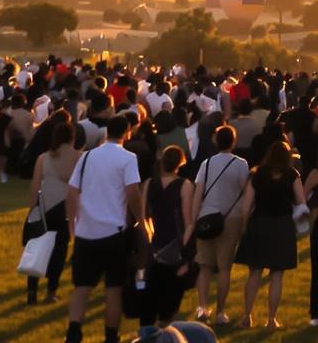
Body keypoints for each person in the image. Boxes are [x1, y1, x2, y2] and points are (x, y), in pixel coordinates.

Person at [62, 115, 144, 343]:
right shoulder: (128, 158)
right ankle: (111, 335)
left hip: (85, 230)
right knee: (113, 288)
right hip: (113, 231)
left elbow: (71, 192)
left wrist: (72, 225)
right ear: (127, 132)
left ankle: (74, 330)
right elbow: (132, 192)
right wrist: (141, 219)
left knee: (82, 287)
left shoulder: (87, 157)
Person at [232, 138, 302, 329]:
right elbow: (301, 201)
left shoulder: (257, 174)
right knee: (277, 274)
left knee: (254, 272)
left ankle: (247, 316)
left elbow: (246, 206)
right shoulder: (292, 175)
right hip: (282, 225)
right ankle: (272, 319)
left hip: (259, 223)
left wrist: (244, 226)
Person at [187, 124, 250, 323]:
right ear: (234, 141)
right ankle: (221, 311)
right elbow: (246, 191)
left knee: (204, 266)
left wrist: (193, 219)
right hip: (231, 218)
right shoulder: (241, 164)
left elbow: (198, 193)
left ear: (216, 141)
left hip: (206, 216)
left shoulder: (206, 164)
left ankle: (202, 308)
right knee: (224, 268)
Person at [139, 145, 196, 330]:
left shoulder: (149, 183)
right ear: (180, 163)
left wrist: (148, 240)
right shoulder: (185, 185)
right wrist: (186, 252)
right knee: (171, 294)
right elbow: (188, 222)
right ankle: (164, 327)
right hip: (174, 244)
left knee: (150, 291)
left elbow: (143, 216)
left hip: (154, 243)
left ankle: (150, 329)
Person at [25, 117, 78, 305]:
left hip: (45, 206)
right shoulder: (78, 157)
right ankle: (51, 291)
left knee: (37, 249)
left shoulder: (43, 158)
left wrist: (33, 209)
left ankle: (32, 291)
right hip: (65, 208)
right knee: (59, 251)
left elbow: (35, 184)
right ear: (72, 138)